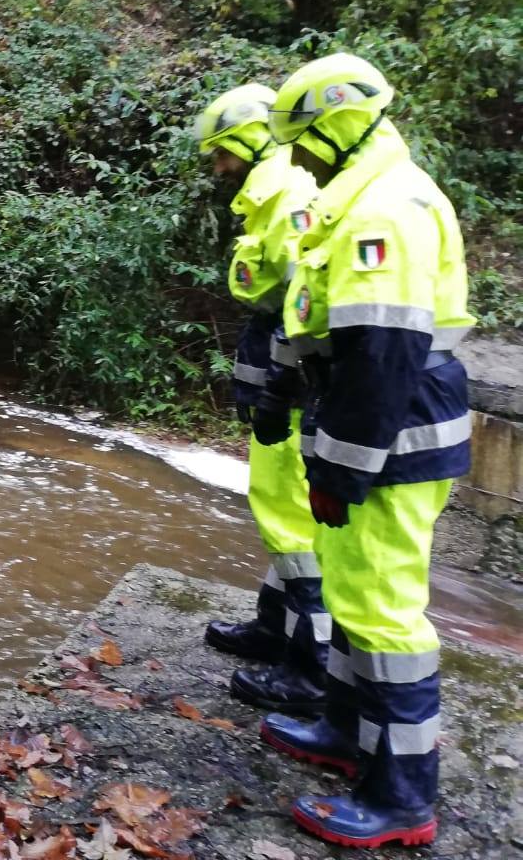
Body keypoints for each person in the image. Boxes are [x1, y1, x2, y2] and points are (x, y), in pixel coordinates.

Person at [255, 53, 473, 849]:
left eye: (305, 139)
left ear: (340, 123)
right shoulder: (360, 199)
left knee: (384, 618)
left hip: (394, 438)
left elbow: (381, 351)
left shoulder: (385, 209)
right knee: (352, 598)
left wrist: (340, 468)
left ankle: (402, 798)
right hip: (378, 433)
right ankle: (349, 732)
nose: (299, 156)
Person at [194, 85, 327, 701]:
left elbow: (307, 305)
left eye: (222, 153)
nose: (218, 167)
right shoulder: (269, 192)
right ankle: (274, 628)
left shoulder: (290, 193)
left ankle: (310, 665)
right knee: (279, 513)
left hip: (293, 381)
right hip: (279, 367)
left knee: (288, 514)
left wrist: (283, 384)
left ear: (249, 139)